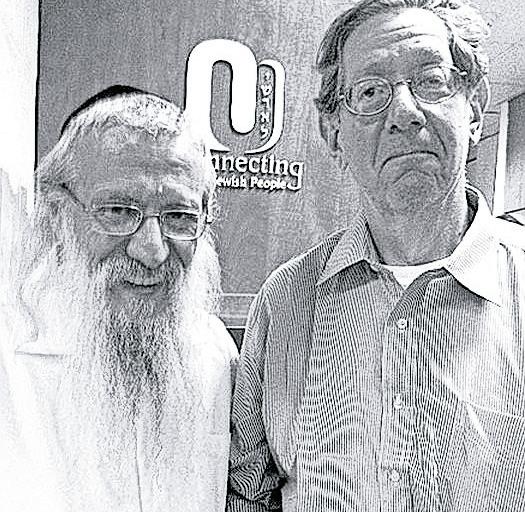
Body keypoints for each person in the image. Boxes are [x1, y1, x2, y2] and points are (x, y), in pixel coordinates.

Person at [227, 1, 525, 511]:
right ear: (333, 134)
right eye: (370, 92)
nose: (405, 112)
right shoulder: (285, 302)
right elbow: (251, 494)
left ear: (475, 108)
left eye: (431, 81)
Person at [0, 86, 237, 512]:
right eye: (117, 211)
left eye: (179, 217)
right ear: (57, 215)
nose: (153, 250)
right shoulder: (10, 354)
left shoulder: (214, 353)